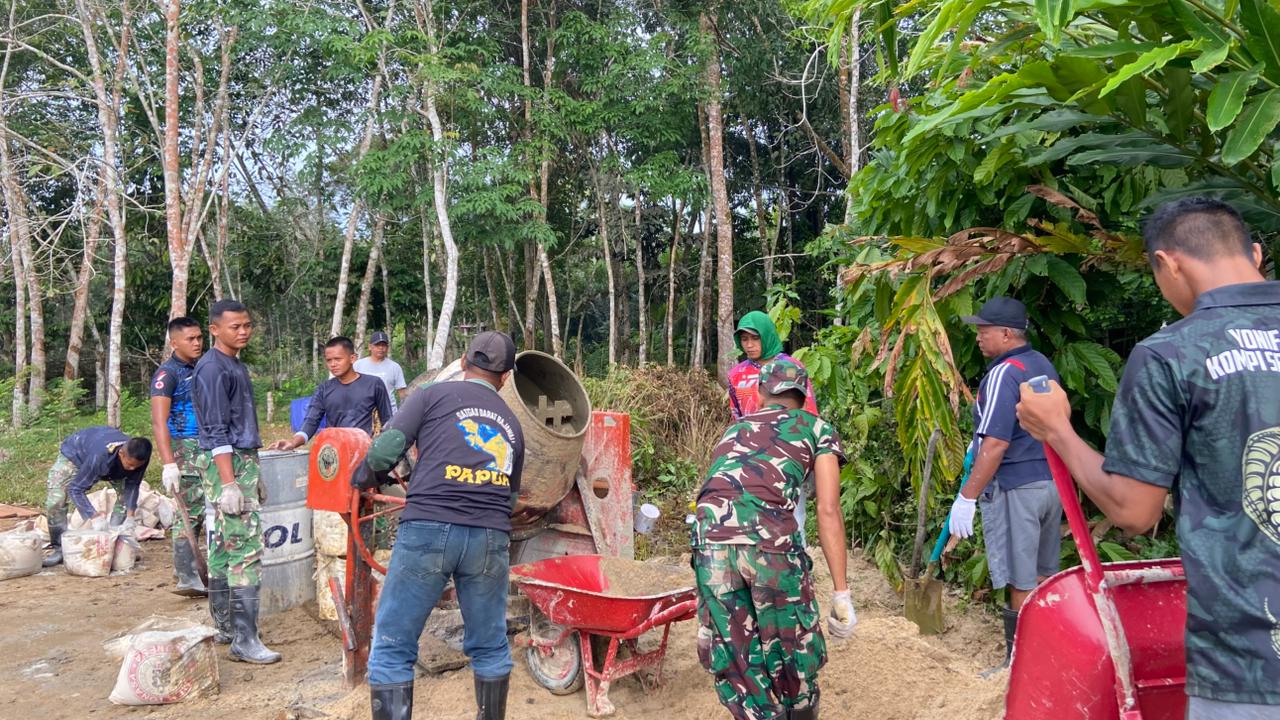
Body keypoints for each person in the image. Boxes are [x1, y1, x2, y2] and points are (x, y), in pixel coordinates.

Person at [1016, 197, 1280, 717]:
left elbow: (1134, 511)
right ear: (1253, 252)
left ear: (1169, 264)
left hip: (1248, 667)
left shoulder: (1172, 355)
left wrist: (1058, 431)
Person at [352, 331, 524, 720]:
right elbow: (509, 499)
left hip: (428, 528)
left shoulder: (431, 395)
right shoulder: (513, 424)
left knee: (394, 645)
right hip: (489, 537)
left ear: (463, 362)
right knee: (492, 646)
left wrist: (368, 476)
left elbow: (382, 452)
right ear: (507, 377)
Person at [691, 358, 855, 720]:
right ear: (803, 395)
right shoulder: (817, 428)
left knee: (739, 663)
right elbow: (828, 510)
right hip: (770, 546)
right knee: (792, 651)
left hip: (709, 542)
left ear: (761, 393)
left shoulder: (734, 430)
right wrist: (841, 592)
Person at [946, 296, 1062, 670]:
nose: (978, 337)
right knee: (1045, 575)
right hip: (1051, 483)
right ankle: (1046, 659)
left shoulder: (1003, 372)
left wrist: (967, 498)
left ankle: (1019, 668)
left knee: (1021, 579)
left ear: (1007, 333)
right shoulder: (1040, 364)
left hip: (1017, 487)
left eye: (984, 330)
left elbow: (996, 443)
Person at [192, 298, 281, 664]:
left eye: (247, 325)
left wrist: (251, 471)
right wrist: (230, 483)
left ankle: (227, 628)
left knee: (224, 547)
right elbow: (215, 430)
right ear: (215, 329)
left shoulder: (233, 364)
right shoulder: (213, 368)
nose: (243, 332)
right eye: (235, 327)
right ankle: (245, 639)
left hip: (239, 460)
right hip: (225, 462)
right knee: (244, 549)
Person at [150, 316, 209, 596]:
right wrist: (169, 463)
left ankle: (192, 568)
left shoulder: (204, 366)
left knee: (208, 510)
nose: (197, 343)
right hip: (184, 448)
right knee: (189, 512)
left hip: (208, 446)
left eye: (199, 337)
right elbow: (159, 421)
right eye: (191, 339)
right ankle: (186, 575)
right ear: (174, 343)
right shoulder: (168, 374)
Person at [41, 426, 152, 567]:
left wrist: (130, 517)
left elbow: (132, 485)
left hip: (108, 461)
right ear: (121, 454)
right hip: (76, 454)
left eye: (136, 467)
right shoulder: (100, 457)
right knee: (56, 500)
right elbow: (75, 489)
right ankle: (59, 548)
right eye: (130, 465)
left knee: (124, 500)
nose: (132, 470)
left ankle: (115, 541)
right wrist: (94, 517)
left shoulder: (139, 458)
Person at [268, 336, 393, 451]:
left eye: (338, 359)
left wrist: (383, 447)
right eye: (329, 360)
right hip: (333, 454)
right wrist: (293, 443)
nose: (333, 364)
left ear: (352, 358)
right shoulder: (324, 389)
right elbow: (311, 420)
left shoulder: (374, 384)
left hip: (363, 452)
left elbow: (388, 420)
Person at [727, 311, 818, 419]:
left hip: (791, 433)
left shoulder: (791, 367)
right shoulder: (736, 374)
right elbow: (736, 415)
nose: (749, 345)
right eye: (744, 339)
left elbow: (810, 410)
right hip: (751, 434)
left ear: (767, 336)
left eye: (755, 338)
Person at [355, 331, 408, 412]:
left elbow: (402, 393)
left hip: (389, 413)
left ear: (387, 347)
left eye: (383, 345)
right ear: (370, 347)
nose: (381, 348)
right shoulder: (358, 365)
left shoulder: (394, 367)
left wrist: (403, 413)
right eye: (377, 345)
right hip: (363, 413)